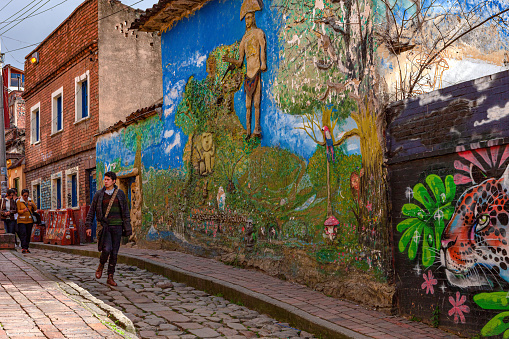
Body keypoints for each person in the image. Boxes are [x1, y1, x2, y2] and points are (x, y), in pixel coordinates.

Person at [222, 0, 266, 140]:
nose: (247, 21)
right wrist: (230, 60)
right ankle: (248, 130)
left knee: (257, 102)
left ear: (253, 18)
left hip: (257, 71)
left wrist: (263, 63)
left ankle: (256, 128)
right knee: (248, 105)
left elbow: (262, 48)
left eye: (249, 17)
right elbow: (240, 61)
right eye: (246, 18)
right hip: (248, 74)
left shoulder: (259, 33)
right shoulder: (244, 39)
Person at [86, 171, 132, 286]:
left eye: (108, 179)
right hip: (105, 227)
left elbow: (125, 211)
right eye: (105, 179)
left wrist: (127, 227)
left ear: (114, 181)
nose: (105, 181)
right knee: (106, 249)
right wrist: (88, 225)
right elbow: (92, 210)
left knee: (114, 253)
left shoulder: (120, 194)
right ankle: (101, 265)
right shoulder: (99, 194)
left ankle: (110, 276)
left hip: (117, 227)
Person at [16, 189, 37, 254]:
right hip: (21, 221)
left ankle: (27, 247)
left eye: (27, 195)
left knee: (28, 234)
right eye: (24, 195)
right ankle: (23, 248)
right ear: (22, 195)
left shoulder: (30, 200)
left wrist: (32, 205)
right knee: (23, 234)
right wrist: (24, 211)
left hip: (29, 220)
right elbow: (18, 211)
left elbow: (35, 209)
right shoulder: (19, 202)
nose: (26, 197)